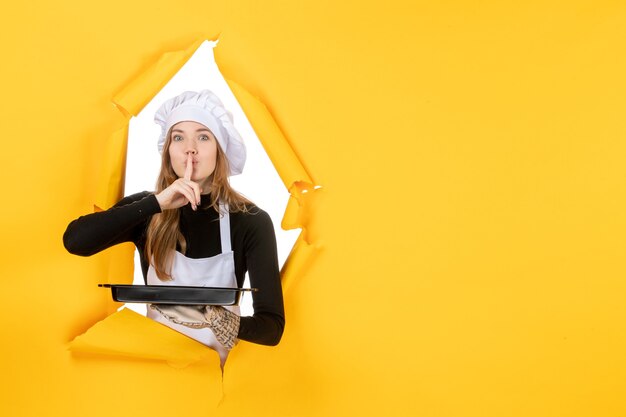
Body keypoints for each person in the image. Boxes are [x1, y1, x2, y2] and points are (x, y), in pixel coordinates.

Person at [64, 90, 285, 365]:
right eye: (178, 137)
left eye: (203, 137)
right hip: (154, 376)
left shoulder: (250, 220)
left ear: (220, 148)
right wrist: (157, 202)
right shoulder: (147, 210)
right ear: (168, 150)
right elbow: (76, 241)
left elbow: (271, 327)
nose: (189, 148)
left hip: (214, 382)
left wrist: (223, 321)